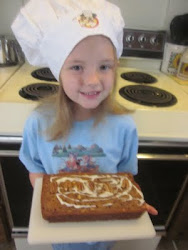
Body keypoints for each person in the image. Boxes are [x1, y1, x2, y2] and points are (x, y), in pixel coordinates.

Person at [12, 0, 157, 249]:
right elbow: (35, 169)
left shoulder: (124, 127)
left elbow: (125, 176)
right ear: (59, 71)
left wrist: (130, 202)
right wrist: (61, 204)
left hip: (104, 236)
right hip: (59, 237)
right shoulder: (38, 124)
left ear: (116, 67)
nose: (92, 81)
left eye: (104, 66)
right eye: (77, 67)